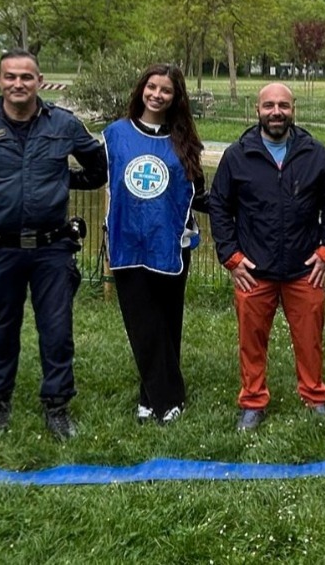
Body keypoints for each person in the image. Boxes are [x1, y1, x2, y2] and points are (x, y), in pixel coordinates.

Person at [0, 49, 107, 440]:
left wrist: (61, 181)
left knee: (57, 332)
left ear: (39, 81)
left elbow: (98, 168)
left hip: (51, 249)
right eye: (10, 77)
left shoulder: (64, 124)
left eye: (26, 77)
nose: (18, 84)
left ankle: (57, 406)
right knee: (2, 330)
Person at [209, 82, 325, 432]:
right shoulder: (237, 155)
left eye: (283, 105)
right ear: (257, 110)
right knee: (251, 341)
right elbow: (219, 206)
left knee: (310, 338)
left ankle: (314, 396)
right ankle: (253, 401)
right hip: (254, 269)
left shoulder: (315, 154)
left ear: (293, 108)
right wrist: (231, 256)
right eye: (269, 105)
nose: (276, 112)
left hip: (305, 268)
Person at [104, 64, 204, 426]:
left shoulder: (184, 140)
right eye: (152, 87)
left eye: (166, 90)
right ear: (141, 89)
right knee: (142, 323)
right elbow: (104, 180)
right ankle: (167, 397)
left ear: (176, 98)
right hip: (129, 242)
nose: (157, 95)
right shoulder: (115, 134)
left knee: (167, 321)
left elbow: (197, 193)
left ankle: (151, 397)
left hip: (172, 244)